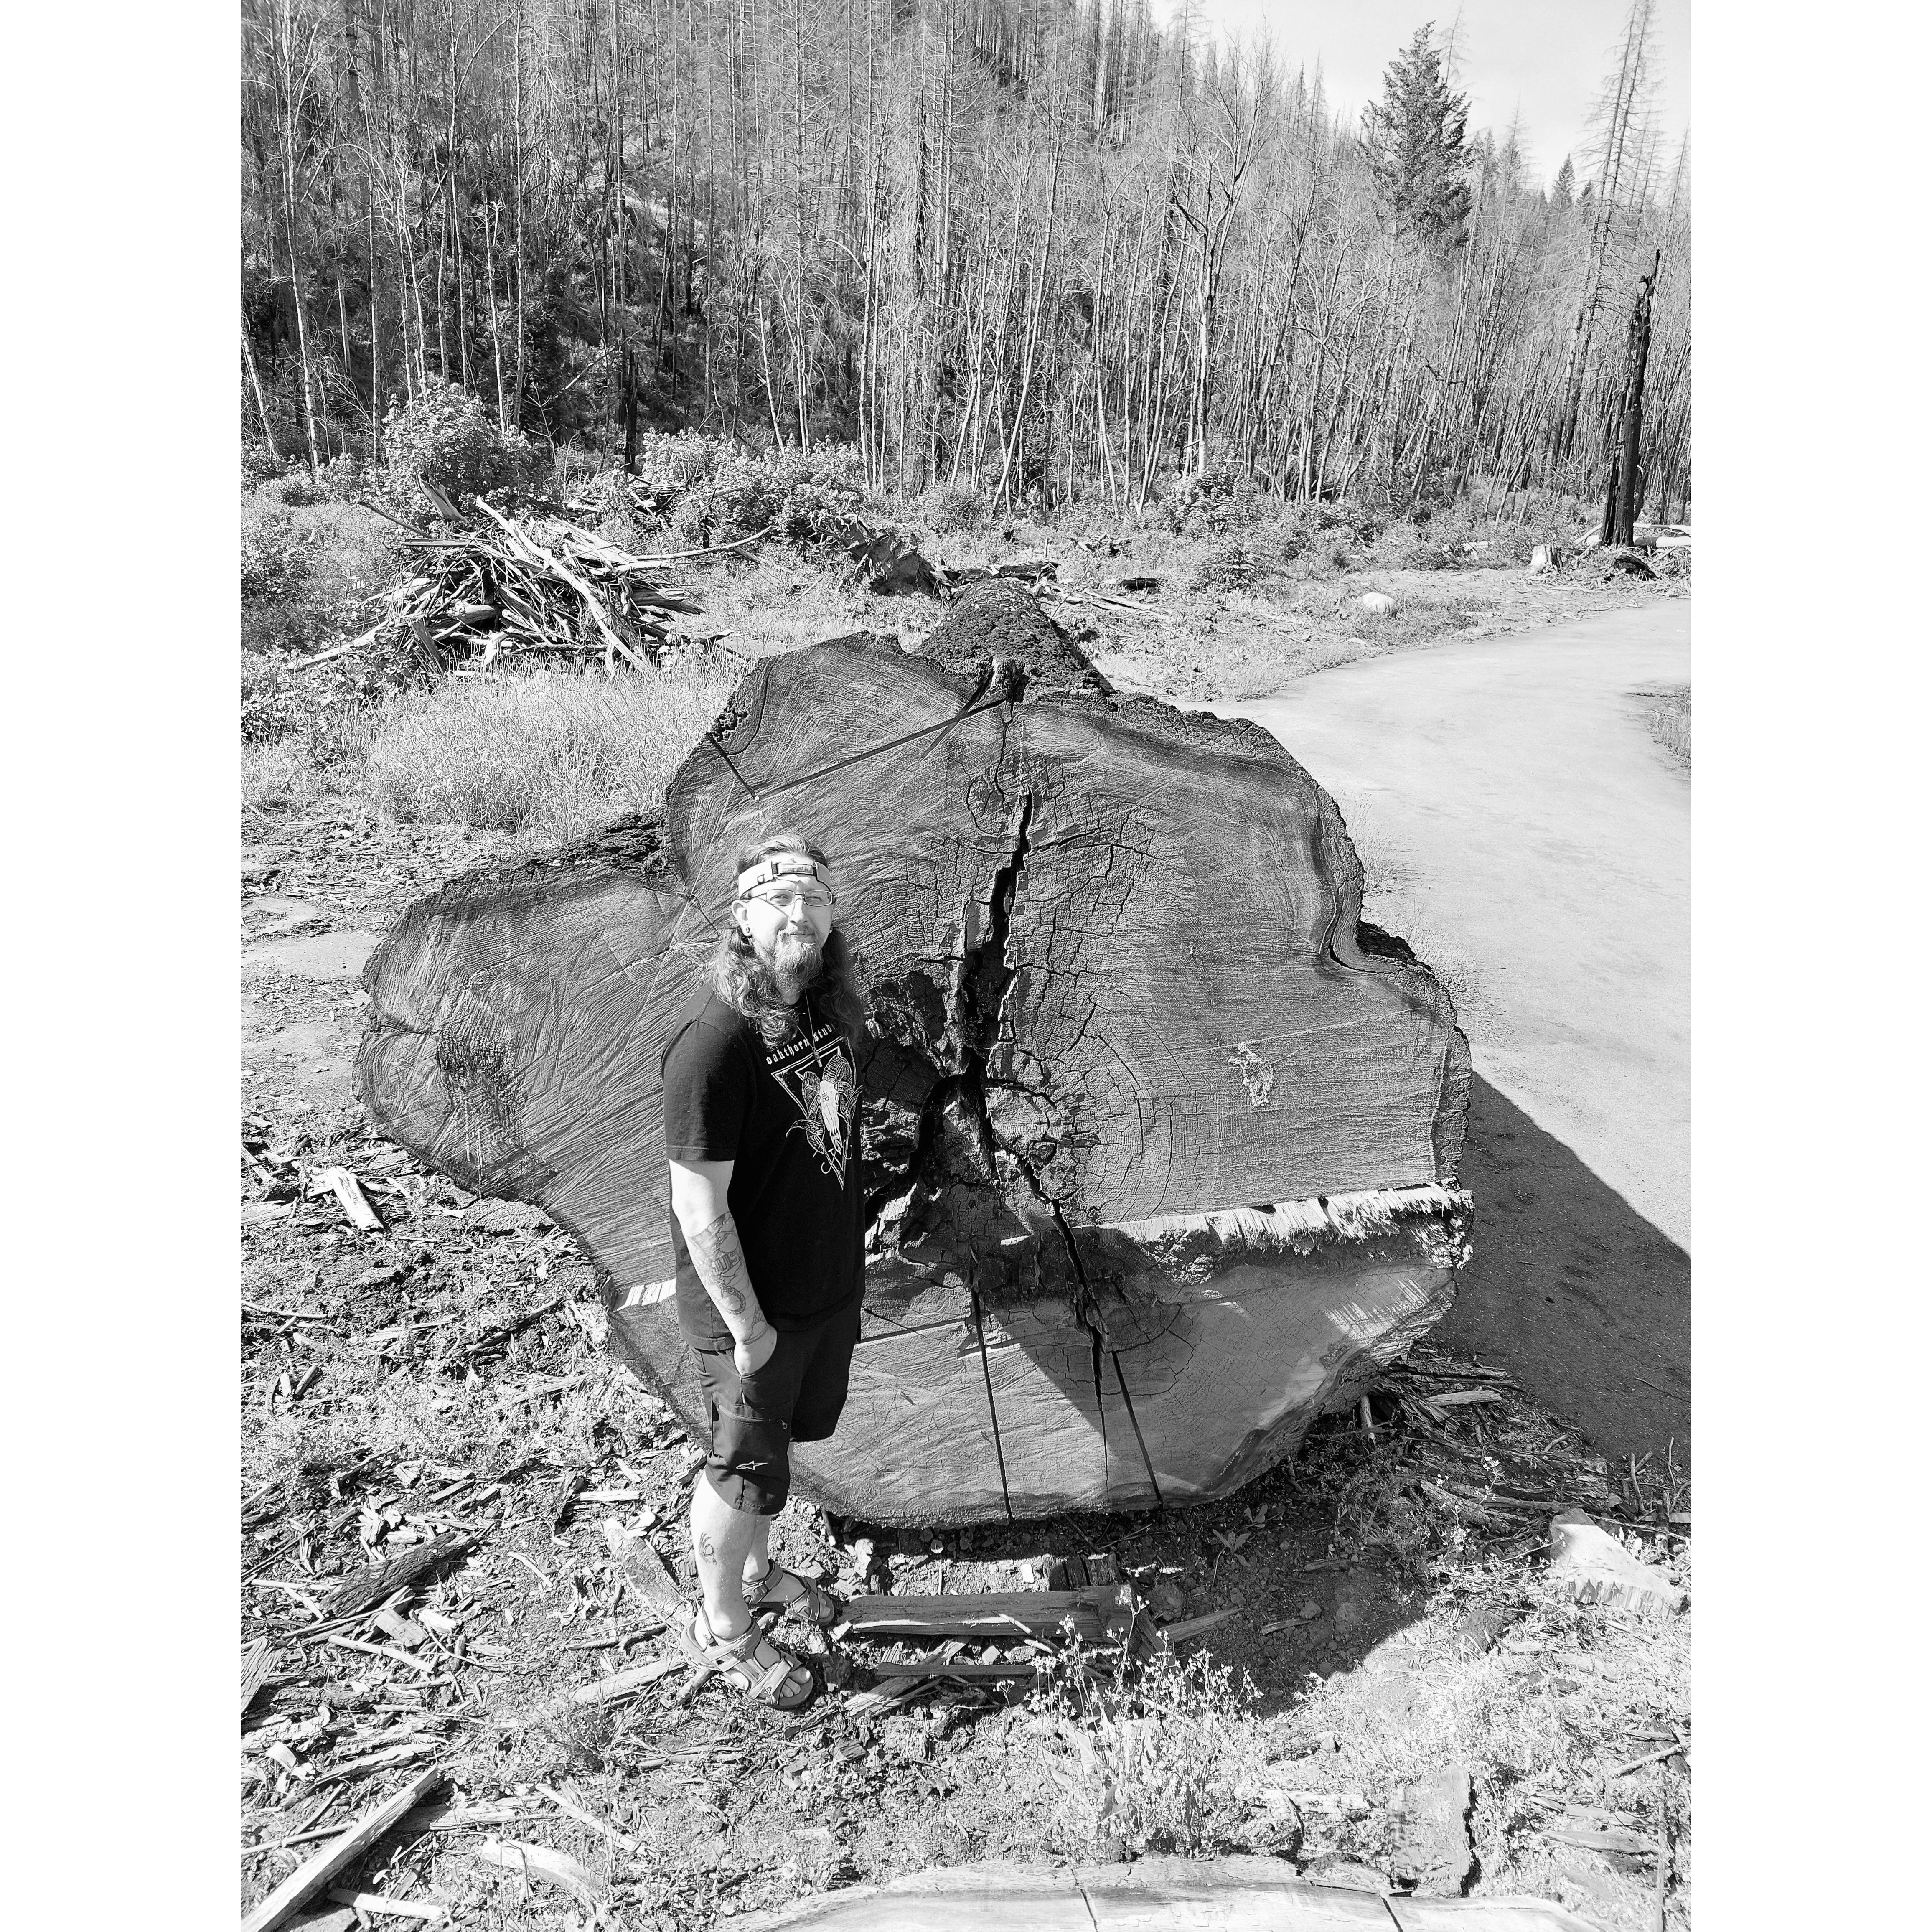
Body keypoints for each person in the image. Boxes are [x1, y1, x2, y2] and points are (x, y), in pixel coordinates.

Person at [660, 831, 869, 1707]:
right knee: (740, 1469)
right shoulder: (713, 1045)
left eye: (812, 897)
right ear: (741, 918)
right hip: (754, 1315)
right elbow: (698, 1207)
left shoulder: (825, 1008)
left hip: (822, 1294)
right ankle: (724, 1624)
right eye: (776, 898)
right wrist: (748, 1326)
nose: (798, 913)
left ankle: (750, 1575)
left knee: (771, 1464)